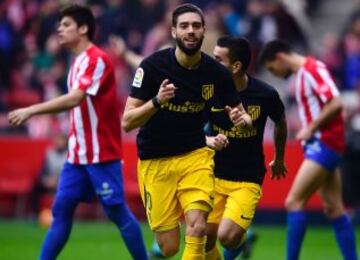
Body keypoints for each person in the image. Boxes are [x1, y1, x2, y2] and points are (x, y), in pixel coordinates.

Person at [8, 5, 148, 260]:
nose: (59, 29)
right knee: (61, 210)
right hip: (77, 155)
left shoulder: (97, 59)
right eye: (59, 25)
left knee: (117, 212)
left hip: (101, 154)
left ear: (83, 29)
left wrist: (31, 110)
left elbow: (75, 99)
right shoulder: (77, 61)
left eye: (66, 25)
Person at [122, 3, 252, 259]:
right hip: (155, 161)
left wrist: (243, 119)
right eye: (184, 26)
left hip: (195, 156)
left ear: (204, 30)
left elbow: (243, 114)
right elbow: (127, 122)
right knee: (169, 247)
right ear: (173, 32)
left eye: (195, 26)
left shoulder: (217, 73)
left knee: (198, 227)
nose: (190, 31)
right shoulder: (152, 67)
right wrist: (157, 101)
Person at [259, 40, 358, 260]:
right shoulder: (303, 74)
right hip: (322, 144)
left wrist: (311, 128)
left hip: (323, 144)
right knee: (333, 209)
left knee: (293, 202)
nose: (274, 73)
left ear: (280, 57)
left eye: (272, 68)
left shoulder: (314, 69)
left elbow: (336, 103)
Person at [203, 36, 288, 260]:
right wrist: (208, 140)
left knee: (227, 237)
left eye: (218, 60)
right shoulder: (208, 92)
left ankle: (242, 239)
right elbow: (191, 126)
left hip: (247, 179)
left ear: (236, 66)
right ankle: (242, 240)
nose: (212, 65)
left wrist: (279, 159)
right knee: (203, 239)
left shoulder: (265, 94)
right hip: (213, 174)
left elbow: (280, 121)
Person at [30, 133, 67, 221]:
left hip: (63, 183)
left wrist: (58, 181)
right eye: (58, 140)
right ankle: (35, 215)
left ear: (66, 142)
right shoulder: (49, 153)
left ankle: (64, 216)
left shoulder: (69, 154)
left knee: (70, 191)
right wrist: (45, 180)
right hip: (50, 181)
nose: (59, 142)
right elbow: (42, 171)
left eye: (61, 140)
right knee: (36, 187)